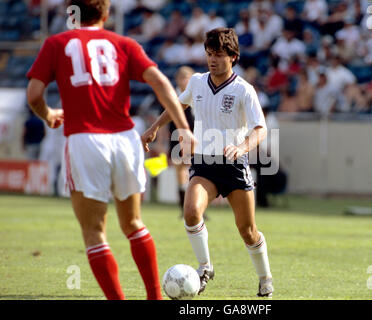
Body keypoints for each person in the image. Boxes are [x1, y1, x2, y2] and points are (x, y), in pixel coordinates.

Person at [26, 0, 194, 300]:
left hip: (85, 140)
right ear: (106, 13)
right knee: (133, 223)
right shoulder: (123, 43)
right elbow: (160, 82)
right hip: (125, 139)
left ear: (70, 13)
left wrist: (49, 114)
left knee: (94, 232)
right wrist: (183, 128)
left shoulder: (57, 43)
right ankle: (154, 297)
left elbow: (34, 94)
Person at [142, 28, 274, 297]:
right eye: (209, 54)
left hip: (234, 166)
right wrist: (155, 127)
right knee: (191, 212)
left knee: (247, 231)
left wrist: (241, 147)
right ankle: (205, 268)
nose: (213, 60)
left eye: (219, 55)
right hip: (204, 164)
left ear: (233, 57)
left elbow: (261, 129)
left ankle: (265, 278)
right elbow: (178, 107)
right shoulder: (197, 82)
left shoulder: (243, 90)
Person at [168, 66, 195, 217]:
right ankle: (183, 208)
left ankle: (196, 208)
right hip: (176, 139)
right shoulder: (171, 96)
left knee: (195, 173)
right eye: (182, 77)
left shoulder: (197, 96)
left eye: (187, 77)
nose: (185, 80)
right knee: (181, 172)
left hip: (195, 139)